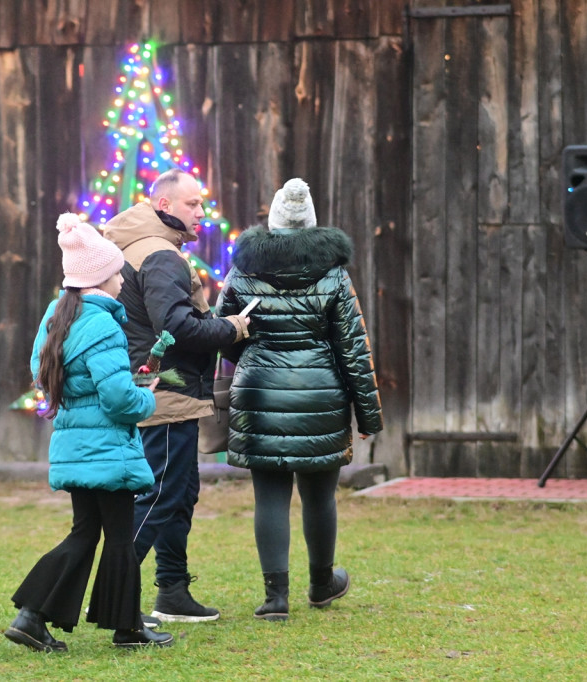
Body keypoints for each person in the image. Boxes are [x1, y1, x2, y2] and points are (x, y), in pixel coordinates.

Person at [215, 178, 383, 622]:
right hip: (320, 393)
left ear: (271, 222)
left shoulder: (241, 270)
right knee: (319, 496)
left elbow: (223, 331)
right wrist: (368, 414)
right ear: (310, 224)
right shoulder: (333, 274)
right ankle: (322, 583)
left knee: (269, 496)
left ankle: (275, 598)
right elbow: (352, 347)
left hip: (257, 391)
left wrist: (252, 356)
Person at [4, 213, 173, 652]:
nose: (122, 279)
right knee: (118, 535)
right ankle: (125, 628)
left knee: (86, 532)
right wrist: (147, 396)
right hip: (107, 447)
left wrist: (100, 390)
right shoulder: (103, 326)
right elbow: (118, 400)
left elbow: (43, 374)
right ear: (101, 277)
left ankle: (35, 617)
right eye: (117, 271)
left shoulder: (57, 316)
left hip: (75, 442)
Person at [103, 168, 251, 623]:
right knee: (161, 493)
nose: (201, 213)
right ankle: (114, 597)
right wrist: (232, 327)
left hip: (161, 389)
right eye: (192, 204)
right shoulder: (162, 256)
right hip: (163, 391)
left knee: (180, 493)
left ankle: (173, 591)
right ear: (164, 206)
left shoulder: (137, 246)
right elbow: (176, 328)